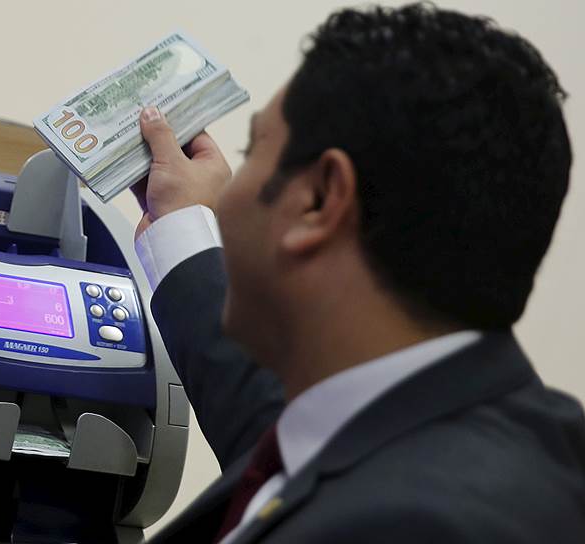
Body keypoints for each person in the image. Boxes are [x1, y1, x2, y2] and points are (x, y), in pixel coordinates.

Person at [132, 4, 585, 543]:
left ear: (321, 199)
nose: (224, 198)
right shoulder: (523, 440)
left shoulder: (392, 525)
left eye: (252, 151)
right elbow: (273, 421)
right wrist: (180, 225)